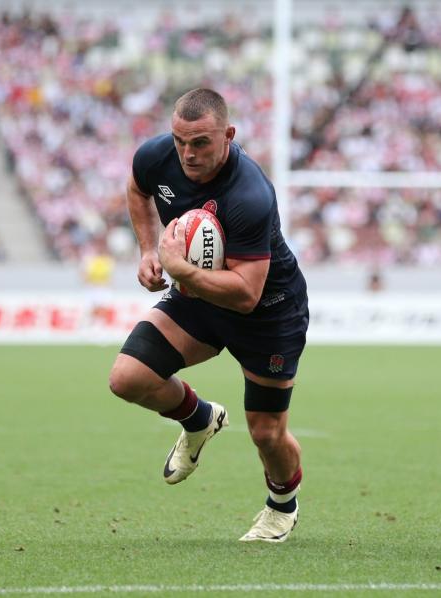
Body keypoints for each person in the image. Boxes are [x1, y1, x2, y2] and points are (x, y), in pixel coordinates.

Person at [108, 88, 309, 543]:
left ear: (229, 135)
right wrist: (146, 249)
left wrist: (178, 268)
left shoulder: (250, 193)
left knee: (266, 433)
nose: (187, 153)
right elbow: (137, 188)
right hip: (198, 296)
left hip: (268, 315)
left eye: (200, 142)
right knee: (128, 378)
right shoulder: (157, 157)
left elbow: (245, 295)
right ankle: (198, 419)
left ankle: (282, 505)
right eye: (180, 140)